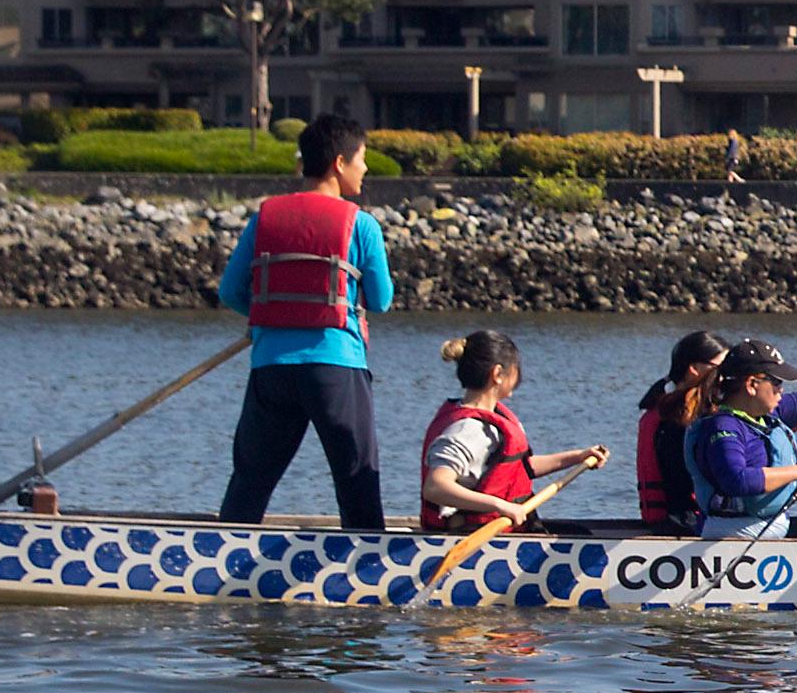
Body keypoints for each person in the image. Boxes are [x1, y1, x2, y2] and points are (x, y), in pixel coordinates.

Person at [215, 116, 400, 528]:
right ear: (339, 162)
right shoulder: (362, 223)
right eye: (362, 160)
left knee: (251, 482)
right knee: (356, 481)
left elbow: (230, 292)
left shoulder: (264, 217)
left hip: (271, 367)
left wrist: (270, 317)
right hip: (336, 366)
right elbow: (383, 300)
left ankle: (221, 554)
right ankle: (368, 566)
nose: (365, 169)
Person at [418, 332, 606, 535]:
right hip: (472, 534)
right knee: (580, 539)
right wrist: (499, 506)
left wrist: (578, 457)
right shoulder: (466, 430)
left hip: (505, 530)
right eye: (516, 369)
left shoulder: (495, 418)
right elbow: (435, 487)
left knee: (579, 533)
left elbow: (521, 468)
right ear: (498, 374)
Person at [682, 342, 797, 539]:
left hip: (759, 533)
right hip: (735, 536)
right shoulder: (723, 427)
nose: (781, 390)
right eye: (776, 382)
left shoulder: (761, 418)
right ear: (751, 385)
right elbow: (736, 480)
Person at [630, 331, 727, 533]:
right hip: (683, 524)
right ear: (693, 369)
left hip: (668, 521)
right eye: (720, 368)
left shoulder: (660, 407)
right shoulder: (678, 418)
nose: (725, 377)